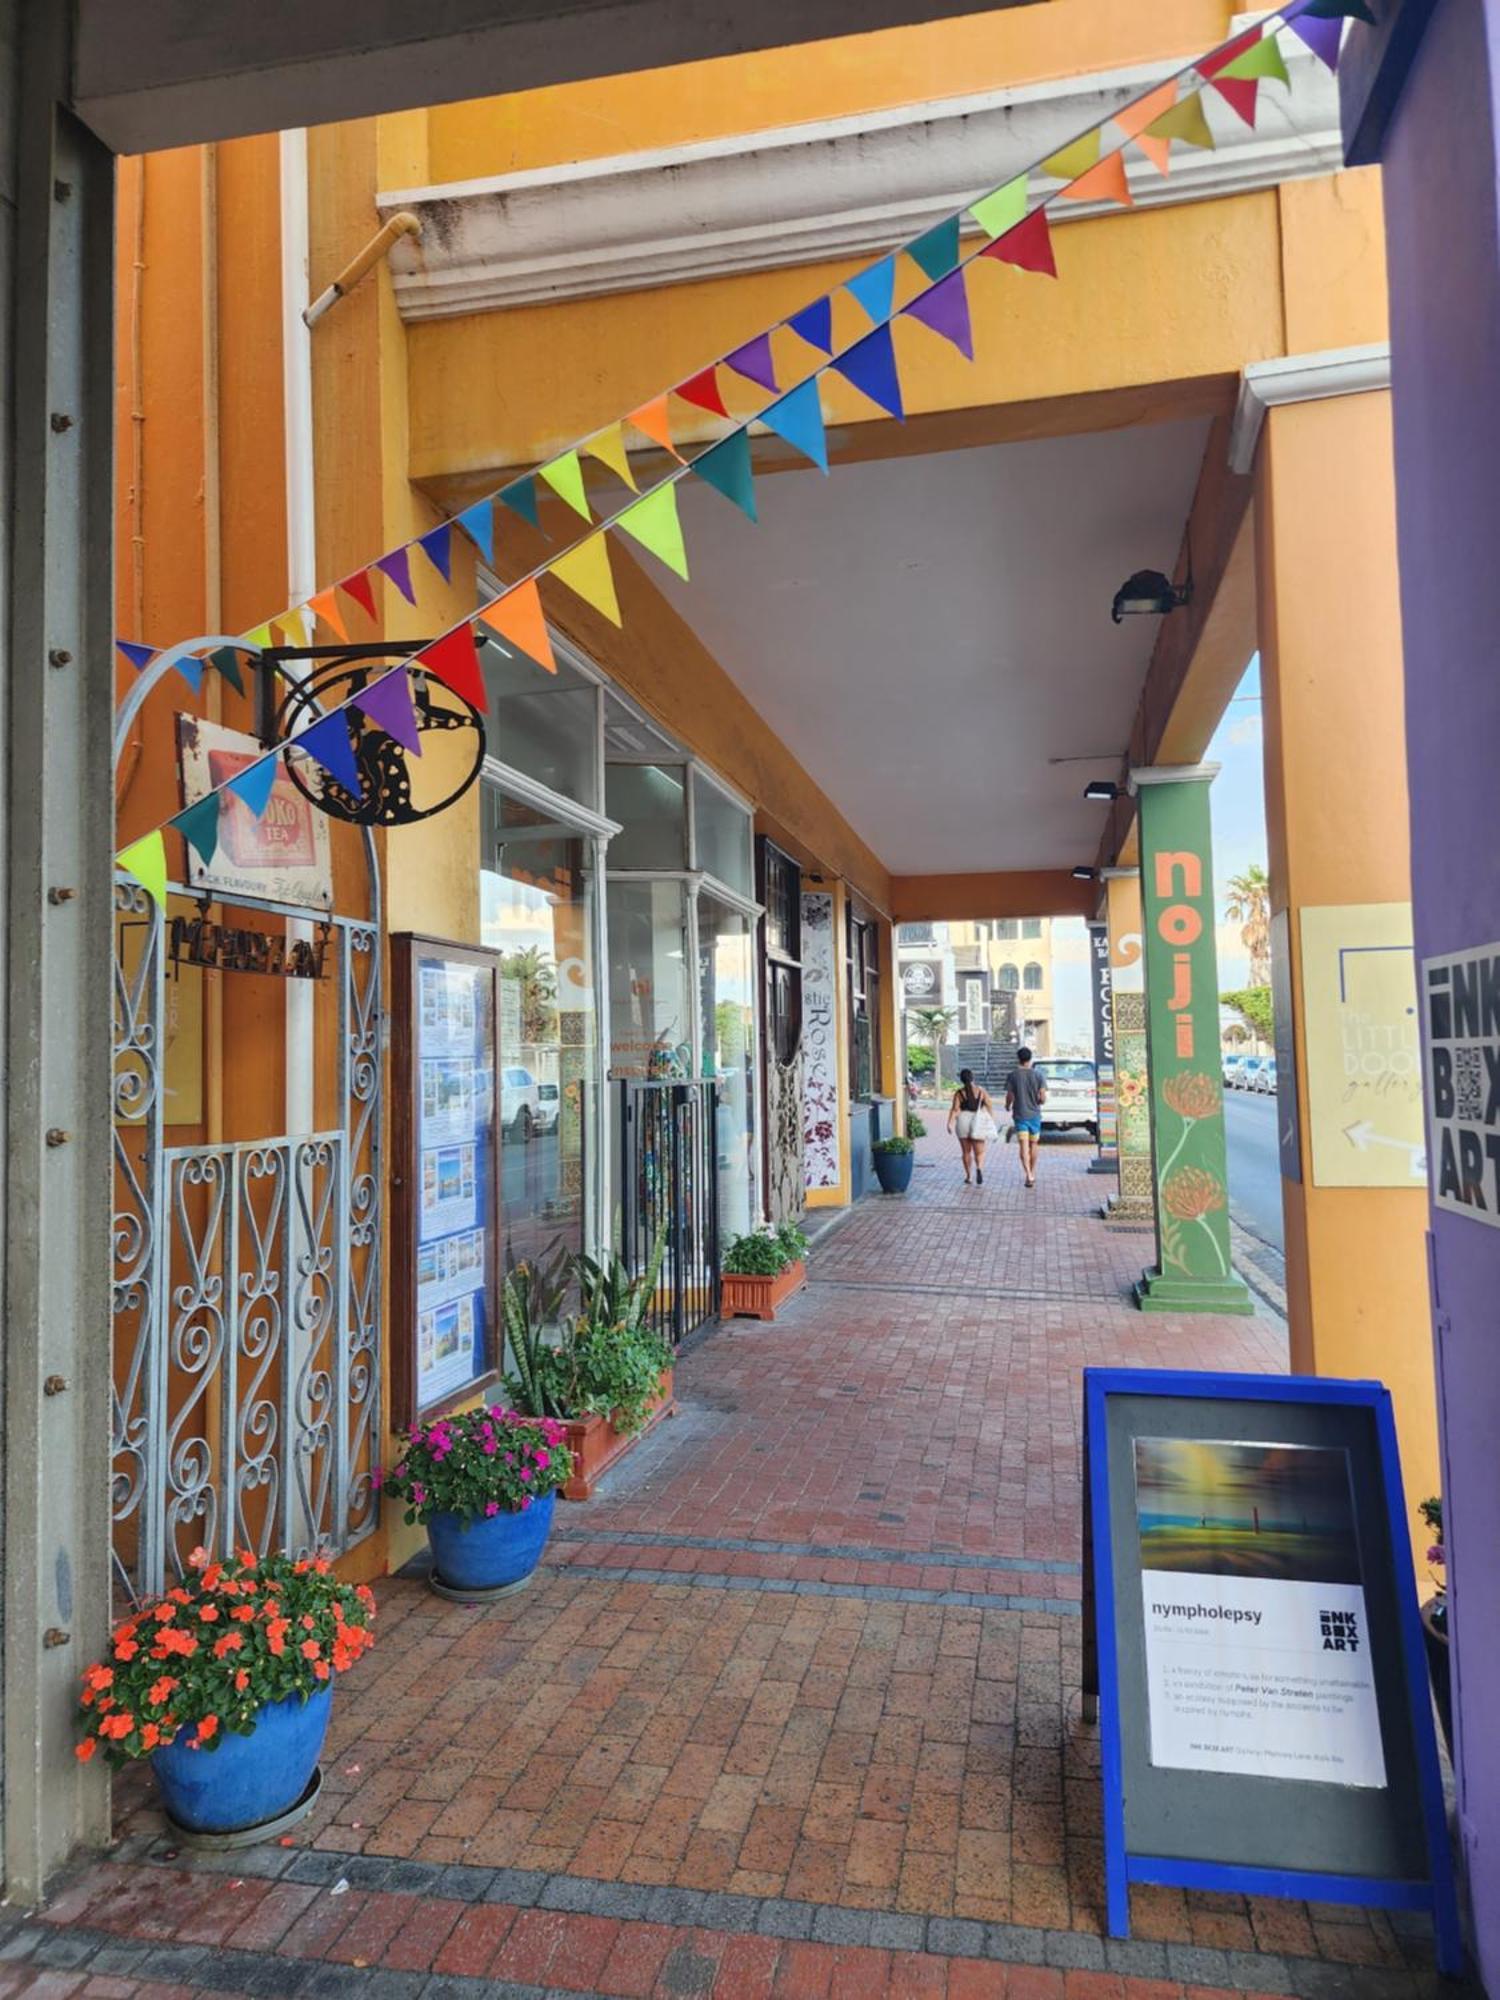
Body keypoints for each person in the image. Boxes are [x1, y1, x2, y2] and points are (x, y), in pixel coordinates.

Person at [947, 1066, 997, 1185]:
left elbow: (955, 1109)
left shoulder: (959, 1093)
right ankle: (979, 1168)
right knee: (979, 1152)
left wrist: (949, 1123)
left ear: (962, 1080)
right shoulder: (981, 1091)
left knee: (966, 1152)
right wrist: (991, 1120)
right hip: (978, 1121)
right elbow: (989, 1105)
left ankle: (969, 1176)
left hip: (963, 1121)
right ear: (972, 1077)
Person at [1005, 1047, 1047, 1189]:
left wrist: (1007, 1105)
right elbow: (1043, 1098)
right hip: (1035, 1115)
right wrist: (1039, 1101)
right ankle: (1033, 1172)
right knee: (1033, 1144)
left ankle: (1028, 1173)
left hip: (1020, 1115)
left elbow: (1010, 1095)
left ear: (1019, 1058)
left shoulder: (1013, 1075)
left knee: (1023, 1145)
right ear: (1030, 1059)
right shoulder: (1038, 1075)